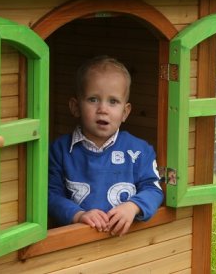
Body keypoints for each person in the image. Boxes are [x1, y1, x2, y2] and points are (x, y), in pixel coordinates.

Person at [48, 56, 163, 236]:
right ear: (75, 106)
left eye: (113, 101)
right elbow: (50, 195)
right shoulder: (59, 150)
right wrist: (78, 215)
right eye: (93, 99)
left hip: (126, 244)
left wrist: (133, 206)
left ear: (125, 112)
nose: (103, 109)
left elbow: (153, 188)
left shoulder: (140, 151)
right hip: (75, 244)